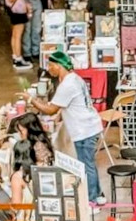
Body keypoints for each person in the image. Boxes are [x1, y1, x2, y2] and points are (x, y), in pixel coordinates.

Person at [23, 51, 104, 204]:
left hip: (84, 129)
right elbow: (65, 106)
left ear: (59, 66)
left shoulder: (67, 85)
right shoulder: (74, 79)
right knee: (89, 163)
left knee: (86, 165)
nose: (49, 69)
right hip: (88, 126)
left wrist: (31, 100)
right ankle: (98, 194)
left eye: (51, 65)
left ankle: (92, 199)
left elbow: (50, 109)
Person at [4, 0, 34, 70]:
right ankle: (18, 58)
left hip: (17, 11)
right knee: (17, 36)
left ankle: (16, 56)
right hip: (17, 12)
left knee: (15, 35)